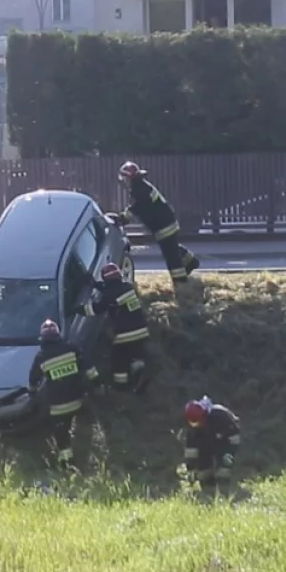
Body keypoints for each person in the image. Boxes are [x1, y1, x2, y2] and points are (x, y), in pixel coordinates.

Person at [28, 319, 105, 467]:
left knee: (61, 435)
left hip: (58, 407)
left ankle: (66, 462)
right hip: (78, 400)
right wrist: (98, 385)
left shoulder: (41, 357)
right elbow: (89, 369)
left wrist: (32, 394)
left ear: (42, 338)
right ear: (58, 334)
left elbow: (33, 380)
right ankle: (90, 454)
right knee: (85, 424)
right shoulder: (72, 349)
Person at [112, 161, 200, 285]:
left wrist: (121, 219)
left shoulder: (139, 191)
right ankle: (191, 262)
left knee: (171, 255)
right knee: (172, 246)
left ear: (129, 178)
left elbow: (134, 210)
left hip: (164, 226)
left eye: (125, 178)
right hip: (167, 222)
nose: (124, 181)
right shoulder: (141, 186)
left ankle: (180, 280)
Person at [82, 262, 152, 394]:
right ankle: (140, 375)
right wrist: (95, 284)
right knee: (135, 355)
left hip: (125, 334)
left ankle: (121, 387)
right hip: (142, 331)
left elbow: (96, 309)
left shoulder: (110, 294)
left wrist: (78, 310)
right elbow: (112, 291)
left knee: (119, 360)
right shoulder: (128, 287)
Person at [182, 396, 241, 490]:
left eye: (199, 422)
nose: (197, 425)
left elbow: (234, 437)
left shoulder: (220, 416)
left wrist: (229, 452)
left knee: (224, 469)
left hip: (226, 442)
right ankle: (208, 488)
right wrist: (191, 469)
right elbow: (191, 449)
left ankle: (225, 488)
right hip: (207, 442)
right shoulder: (192, 428)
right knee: (203, 472)